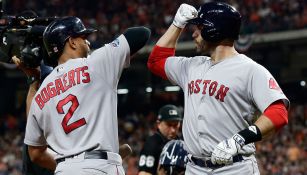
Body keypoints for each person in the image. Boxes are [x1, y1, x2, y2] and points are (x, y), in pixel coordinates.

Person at [147, 2, 289, 175]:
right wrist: (177, 24)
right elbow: (155, 61)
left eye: (199, 27)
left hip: (235, 168)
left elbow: (279, 112)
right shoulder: (192, 66)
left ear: (213, 30)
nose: (194, 34)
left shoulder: (249, 70)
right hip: (194, 168)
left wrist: (240, 139)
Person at [23, 16, 150, 175]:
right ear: (72, 42)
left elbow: (35, 153)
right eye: (83, 37)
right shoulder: (95, 64)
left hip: (64, 170)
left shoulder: (40, 93)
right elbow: (141, 33)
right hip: (99, 166)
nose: (88, 41)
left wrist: (70, 168)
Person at [138, 104, 182, 175]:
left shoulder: (181, 143)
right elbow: (144, 173)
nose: (173, 130)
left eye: (176, 125)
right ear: (158, 124)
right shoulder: (152, 144)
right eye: (169, 125)